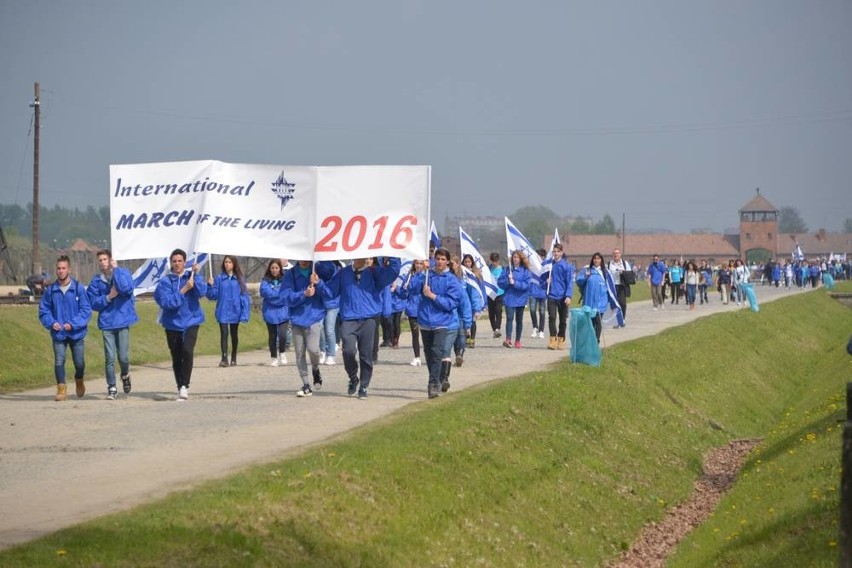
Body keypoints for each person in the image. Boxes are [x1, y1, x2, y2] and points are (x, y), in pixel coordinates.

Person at [322, 256, 401, 399]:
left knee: (366, 355)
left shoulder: (374, 272)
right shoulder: (343, 273)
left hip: (369, 318)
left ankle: (364, 385)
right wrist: (319, 284)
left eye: (367, 257)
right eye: (360, 256)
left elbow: (393, 272)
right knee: (349, 351)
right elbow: (330, 292)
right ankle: (353, 377)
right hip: (349, 318)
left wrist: (393, 255)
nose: (364, 259)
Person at [154, 249, 207, 401]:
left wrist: (196, 275)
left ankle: (185, 385)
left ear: (185, 262)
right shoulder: (165, 282)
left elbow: (202, 292)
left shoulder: (190, 276)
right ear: (171, 263)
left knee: (187, 351)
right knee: (176, 356)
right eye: (174, 261)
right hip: (172, 323)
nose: (177, 264)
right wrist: (184, 290)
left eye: (180, 261)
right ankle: (180, 386)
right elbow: (166, 302)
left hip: (192, 320)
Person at [39, 255, 92, 401]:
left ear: (69, 269)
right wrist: (51, 322)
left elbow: (86, 310)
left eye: (63, 268)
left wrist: (73, 324)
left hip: (77, 333)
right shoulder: (51, 290)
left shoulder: (78, 288)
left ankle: (79, 380)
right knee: (59, 360)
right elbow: (44, 311)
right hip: (58, 333)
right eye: (58, 268)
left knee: (79, 363)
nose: (61, 271)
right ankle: (61, 390)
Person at [87, 249, 138, 399]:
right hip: (107, 323)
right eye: (100, 260)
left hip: (122, 320)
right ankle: (112, 387)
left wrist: (116, 270)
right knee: (109, 357)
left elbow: (127, 289)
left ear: (110, 260)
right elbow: (94, 303)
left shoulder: (123, 273)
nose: (102, 263)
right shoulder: (96, 281)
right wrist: (109, 297)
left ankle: (125, 374)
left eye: (104, 259)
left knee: (123, 357)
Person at [417, 248, 464, 398]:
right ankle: (436, 378)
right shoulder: (426, 276)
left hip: (442, 322)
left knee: (437, 352)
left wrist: (432, 296)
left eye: (443, 259)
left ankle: (432, 384)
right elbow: (410, 289)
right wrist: (420, 271)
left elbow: (451, 303)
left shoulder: (452, 280)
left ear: (448, 261)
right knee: (429, 354)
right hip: (425, 320)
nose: (440, 262)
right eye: (437, 259)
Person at [284, 261, 328, 397]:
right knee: (299, 353)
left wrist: (318, 282)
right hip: (297, 318)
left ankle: (315, 368)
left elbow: (328, 292)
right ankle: (306, 384)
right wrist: (304, 294)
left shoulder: (318, 270)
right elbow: (286, 296)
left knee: (313, 349)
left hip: (314, 316)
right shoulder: (290, 274)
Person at [206, 255, 250, 367]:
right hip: (223, 310)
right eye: (225, 262)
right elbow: (212, 296)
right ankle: (224, 358)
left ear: (234, 264)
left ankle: (234, 357)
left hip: (236, 310)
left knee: (234, 334)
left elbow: (244, 297)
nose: (227, 264)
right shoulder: (219, 278)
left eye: (229, 262)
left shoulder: (240, 279)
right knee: (224, 333)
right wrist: (210, 286)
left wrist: (245, 314)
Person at [497, 249, 531, 349]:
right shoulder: (507, 270)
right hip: (509, 298)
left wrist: (515, 283)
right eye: (514, 257)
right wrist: (508, 280)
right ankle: (508, 339)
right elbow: (500, 282)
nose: (515, 259)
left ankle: (518, 340)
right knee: (509, 318)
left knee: (519, 320)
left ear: (521, 259)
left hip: (520, 298)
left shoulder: (525, 271)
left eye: (517, 257)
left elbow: (526, 285)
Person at [259, 259, 291, 366]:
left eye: (276, 268)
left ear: (280, 269)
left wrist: (274, 295)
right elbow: (265, 292)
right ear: (269, 269)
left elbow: (286, 293)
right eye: (272, 268)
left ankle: (282, 352)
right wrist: (278, 295)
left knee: (282, 334)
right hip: (270, 312)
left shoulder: (285, 280)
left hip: (283, 312)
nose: (274, 270)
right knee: (272, 336)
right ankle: (273, 357)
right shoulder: (265, 281)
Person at [576, 252, 611, 343]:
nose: (596, 260)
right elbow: (579, 281)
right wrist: (585, 277)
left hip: (601, 300)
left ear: (601, 260)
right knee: (590, 322)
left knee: (598, 320)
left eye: (598, 258)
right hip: (589, 300)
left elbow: (610, 287)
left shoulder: (605, 272)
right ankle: (590, 339)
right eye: (595, 258)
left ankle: (596, 339)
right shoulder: (587, 270)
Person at [545, 243, 573, 350]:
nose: (556, 253)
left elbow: (570, 282)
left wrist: (568, 296)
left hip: (562, 296)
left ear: (561, 252)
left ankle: (561, 339)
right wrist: (546, 281)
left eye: (558, 251)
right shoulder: (549, 265)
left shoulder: (566, 266)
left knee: (562, 320)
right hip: (551, 295)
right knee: (552, 317)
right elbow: (542, 277)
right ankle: (553, 339)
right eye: (554, 251)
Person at [402, 260, 427, 366]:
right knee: (415, 334)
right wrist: (397, 289)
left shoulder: (425, 277)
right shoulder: (409, 276)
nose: (419, 266)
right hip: (412, 308)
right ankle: (417, 357)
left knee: (426, 334)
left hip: (423, 307)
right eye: (417, 263)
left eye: (421, 264)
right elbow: (404, 290)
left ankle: (430, 355)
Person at [461, 254, 485, 348]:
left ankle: (472, 339)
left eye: (469, 262)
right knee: (465, 320)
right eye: (466, 262)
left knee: (472, 321)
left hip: (472, 301)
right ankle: (466, 337)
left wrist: (477, 307)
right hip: (464, 300)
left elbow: (477, 292)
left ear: (472, 263)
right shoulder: (461, 273)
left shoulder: (475, 275)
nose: (467, 264)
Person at [607, 248, 630, 328]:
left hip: (622, 285)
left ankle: (622, 319)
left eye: (617, 253)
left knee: (622, 303)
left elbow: (630, 273)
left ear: (620, 254)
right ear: (613, 255)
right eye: (614, 253)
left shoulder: (625, 263)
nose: (616, 255)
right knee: (614, 304)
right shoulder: (609, 264)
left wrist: (623, 272)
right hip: (613, 286)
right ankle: (616, 321)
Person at [528, 248, 547, 340]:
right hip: (533, 291)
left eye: (541, 256)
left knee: (542, 312)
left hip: (542, 291)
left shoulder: (546, 267)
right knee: (532, 310)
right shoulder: (532, 266)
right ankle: (535, 327)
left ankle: (541, 330)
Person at [486, 252, 505, 338]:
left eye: (496, 261)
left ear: (498, 260)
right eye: (493, 261)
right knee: (491, 313)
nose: (495, 263)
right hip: (491, 293)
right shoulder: (489, 269)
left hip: (499, 293)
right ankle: (494, 330)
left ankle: (498, 328)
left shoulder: (502, 269)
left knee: (498, 311)